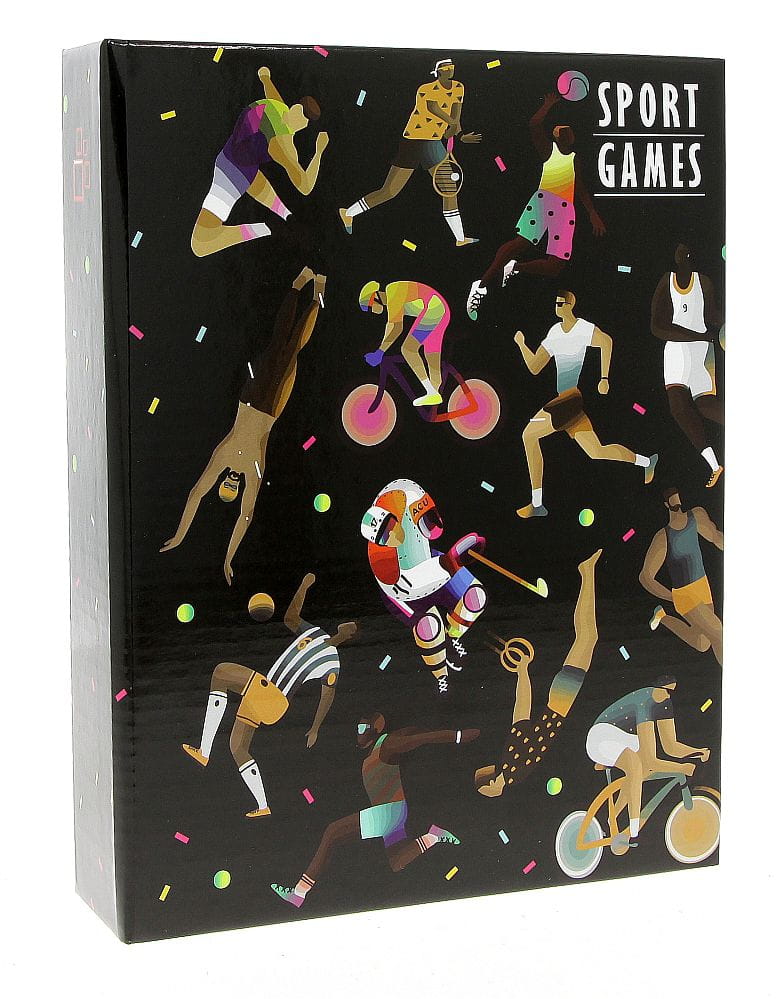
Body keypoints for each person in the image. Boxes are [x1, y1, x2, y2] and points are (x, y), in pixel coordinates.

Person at [160, 267, 324, 585]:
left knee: (278, 344)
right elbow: (245, 516)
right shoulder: (253, 471)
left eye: (224, 488)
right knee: (293, 351)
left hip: (249, 401)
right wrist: (228, 558)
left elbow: (196, 494)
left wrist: (180, 536)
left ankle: (298, 284)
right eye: (232, 491)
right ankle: (317, 295)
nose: (229, 487)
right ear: (236, 491)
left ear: (221, 483)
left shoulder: (221, 457)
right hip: (272, 409)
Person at [181, 573, 357, 817]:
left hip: (273, 695)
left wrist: (315, 728)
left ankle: (204, 751)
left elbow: (327, 695)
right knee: (237, 747)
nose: (349, 624)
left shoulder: (332, 663)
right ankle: (263, 806)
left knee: (221, 672)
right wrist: (303, 587)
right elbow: (290, 618)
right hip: (265, 698)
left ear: (349, 636)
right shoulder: (316, 633)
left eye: (353, 627)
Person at [270, 713, 479, 908]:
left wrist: (457, 736)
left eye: (363, 727)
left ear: (376, 728)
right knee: (397, 862)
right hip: (393, 814)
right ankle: (433, 837)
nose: (359, 732)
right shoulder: (373, 752)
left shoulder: (386, 744)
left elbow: (421, 739)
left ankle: (299, 893)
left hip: (388, 812)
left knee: (333, 832)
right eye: (357, 728)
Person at [514, 290, 657, 518]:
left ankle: (537, 504)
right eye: (555, 303)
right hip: (568, 404)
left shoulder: (582, 328)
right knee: (596, 451)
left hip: (571, 398)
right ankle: (646, 461)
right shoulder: (554, 332)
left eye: (561, 303)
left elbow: (606, 342)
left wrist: (604, 378)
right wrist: (521, 344)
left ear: (571, 304)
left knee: (528, 435)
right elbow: (534, 367)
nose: (557, 307)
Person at [467, 91, 605, 320]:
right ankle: (481, 285)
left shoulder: (574, 159)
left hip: (565, 210)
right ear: (557, 136)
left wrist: (592, 213)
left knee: (555, 267)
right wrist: (548, 104)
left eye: (568, 129)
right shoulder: (549, 151)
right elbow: (534, 124)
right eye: (561, 130)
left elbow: (580, 187)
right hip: (545, 201)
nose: (566, 131)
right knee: (519, 243)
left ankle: (515, 267)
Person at [475, 549, 602, 797]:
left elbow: (521, 712)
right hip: (560, 703)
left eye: (485, 792)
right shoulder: (511, 767)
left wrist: (523, 672)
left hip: (559, 704)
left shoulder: (512, 769)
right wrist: (522, 672)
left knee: (587, 637)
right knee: (587, 637)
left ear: (489, 785)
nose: (489, 795)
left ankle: (587, 573)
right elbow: (521, 713)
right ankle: (587, 574)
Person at [361, 479, 486, 695]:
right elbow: (408, 585)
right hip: (402, 591)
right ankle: (441, 674)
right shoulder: (383, 561)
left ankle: (453, 635)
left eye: (390, 529)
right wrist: (452, 561)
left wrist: (449, 555)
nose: (392, 535)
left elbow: (434, 527)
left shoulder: (406, 495)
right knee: (429, 627)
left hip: (431, 561)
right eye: (385, 535)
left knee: (476, 597)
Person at [339, 58, 481, 245]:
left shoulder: (458, 88)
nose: (450, 69)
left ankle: (460, 238)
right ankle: (348, 213)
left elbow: (456, 115)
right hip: (413, 140)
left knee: (449, 189)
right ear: (438, 72)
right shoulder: (425, 89)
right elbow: (434, 109)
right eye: (446, 67)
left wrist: (460, 134)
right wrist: (452, 125)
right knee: (390, 191)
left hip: (433, 143)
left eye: (452, 66)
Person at [191, 67, 328, 257]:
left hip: (232, 164)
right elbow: (305, 186)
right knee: (201, 244)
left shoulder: (278, 111)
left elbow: (273, 96)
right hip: (233, 172)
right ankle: (270, 224)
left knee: (200, 244)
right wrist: (319, 151)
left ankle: (280, 218)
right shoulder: (283, 143)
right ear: (303, 122)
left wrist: (265, 78)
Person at [585, 677, 710, 845]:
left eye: (672, 693)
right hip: (602, 736)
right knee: (636, 765)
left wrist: (697, 752)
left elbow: (671, 747)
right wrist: (682, 768)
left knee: (641, 772)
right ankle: (633, 830)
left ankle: (611, 818)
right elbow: (652, 761)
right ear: (656, 688)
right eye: (667, 691)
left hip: (627, 739)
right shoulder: (645, 701)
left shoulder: (664, 704)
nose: (669, 696)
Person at [651, 244, 724, 487]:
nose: (682, 255)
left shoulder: (704, 282)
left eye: (686, 252)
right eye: (679, 251)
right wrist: (697, 336)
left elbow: (712, 315)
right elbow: (657, 326)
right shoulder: (667, 281)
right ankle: (714, 465)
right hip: (678, 350)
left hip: (702, 350)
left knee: (706, 405)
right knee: (679, 409)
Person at [640, 487, 723, 666]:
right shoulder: (663, 537)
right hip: (685, 596)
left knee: (703, 643)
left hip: (703, 587)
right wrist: (672, 597)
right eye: (671, 497)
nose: (676, 500)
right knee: (718, 633)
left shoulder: (696, 516)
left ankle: (662, 617)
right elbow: (646, 577)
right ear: (666, 504)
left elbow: (716, 537)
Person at [358, 279, 452, 406]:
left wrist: (380, 352)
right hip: (440, 308)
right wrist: (380, 350)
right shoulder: (392, 299)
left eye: (369, 308)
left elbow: (397, 328)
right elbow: (390, 327)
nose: (372, 312)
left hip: (433, 308)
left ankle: (432, 392)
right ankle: (435, 394)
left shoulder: (392, 292)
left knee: (408, 349)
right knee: (430, 354)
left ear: (374, 297)